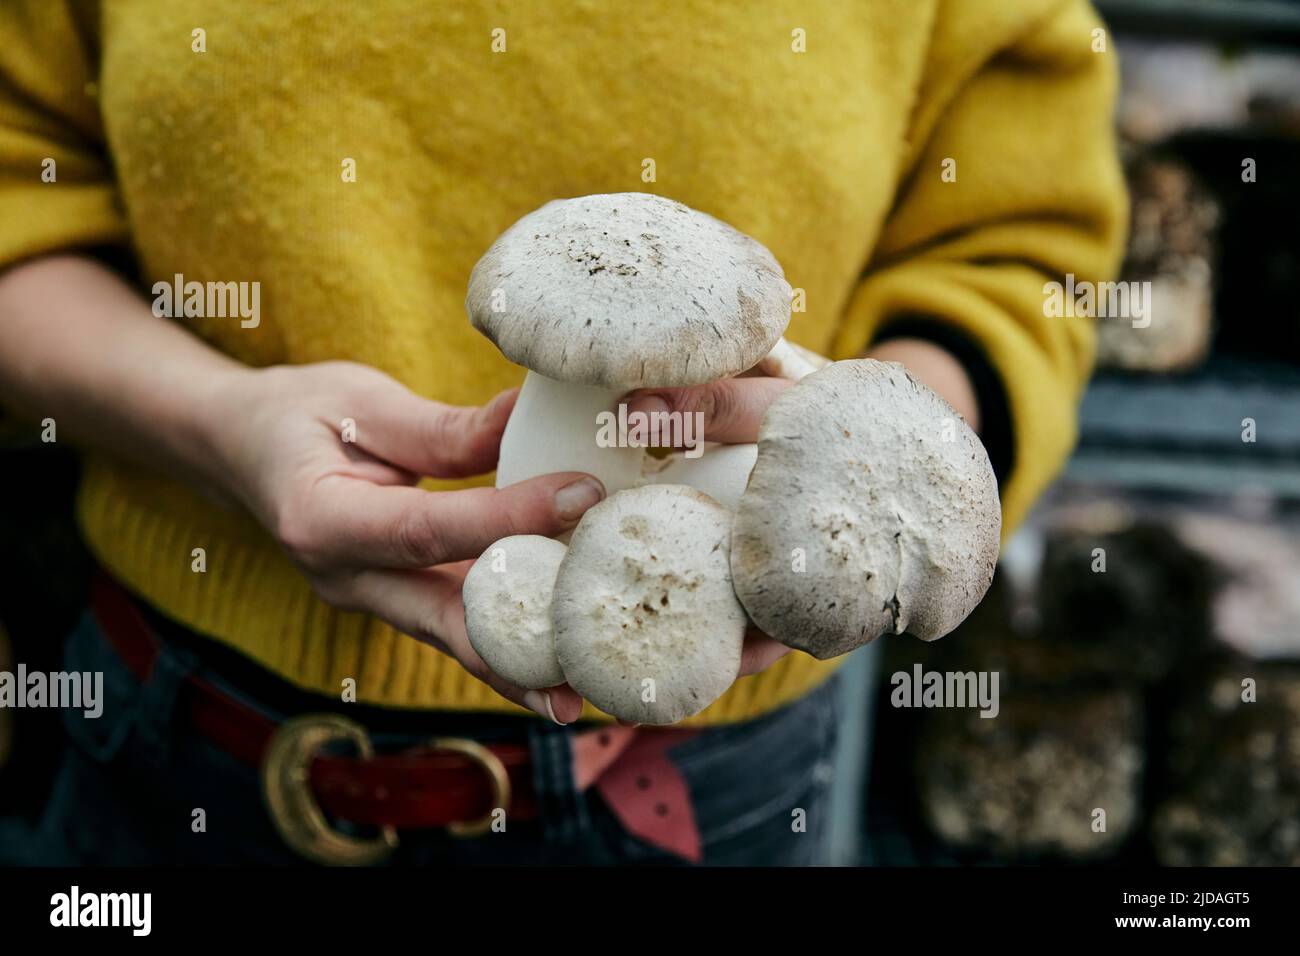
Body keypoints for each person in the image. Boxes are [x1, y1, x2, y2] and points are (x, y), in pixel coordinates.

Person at [0, 0, 1125, 865]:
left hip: (704, 770)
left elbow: (1017, 243)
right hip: (174, 734)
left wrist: (861, 456)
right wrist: (213, 420)